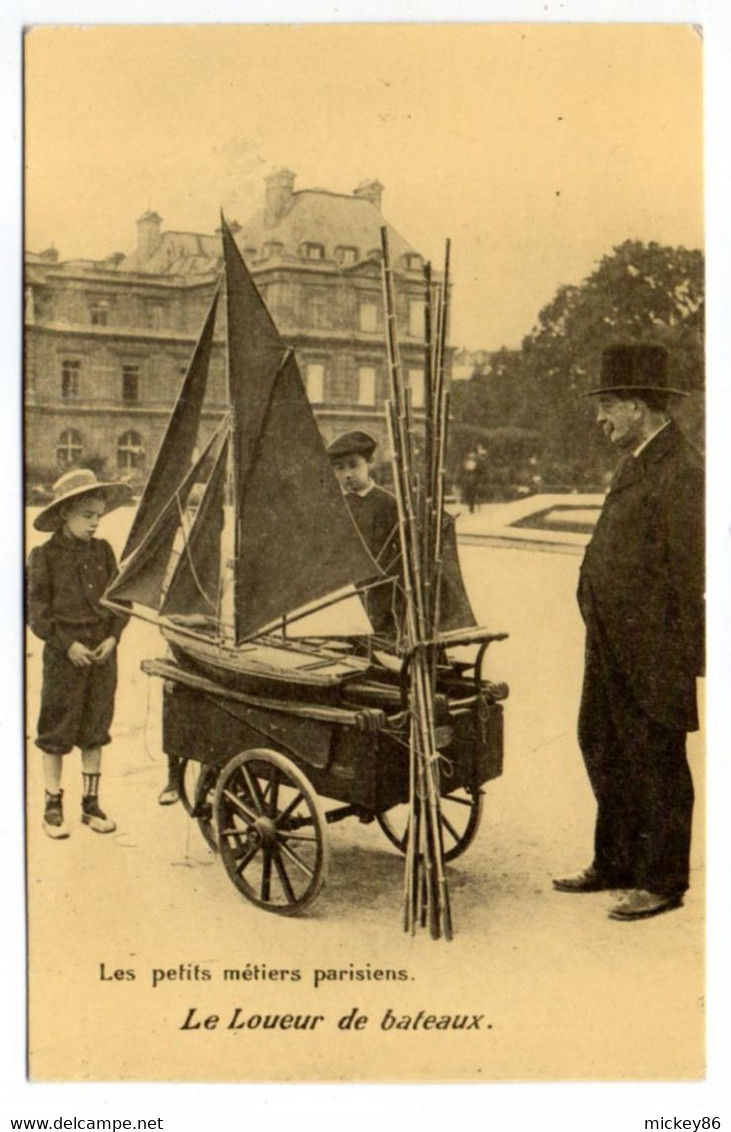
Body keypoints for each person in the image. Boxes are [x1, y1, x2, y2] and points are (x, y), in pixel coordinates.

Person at [553, 343, 704, 921]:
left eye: (609, 404)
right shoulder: (641, 459)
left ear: (641, 406)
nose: (600, 418)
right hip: (614, 639)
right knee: (601, 740)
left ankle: (663, 879)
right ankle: (616, 860)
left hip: (653, 647)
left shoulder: (685, 471)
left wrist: (686, 655)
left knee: (656, 756)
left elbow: (692, 573)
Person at [26, 468, 132, 838]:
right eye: (87, 515)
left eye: (98, 516)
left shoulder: (103, 551)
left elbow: (121, 600)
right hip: (64, 659)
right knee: (56, 729)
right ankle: (52, 805)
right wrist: (67, 645)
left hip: (102, 658)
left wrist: (113, 637)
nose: (94, 523)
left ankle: (91, 805)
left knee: (95, 729)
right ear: (65, 513)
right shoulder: (43, 556)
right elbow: (36, 616)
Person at [326, 430, 400, 638]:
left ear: (369, 463)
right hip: (344, 587)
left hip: (380, 588)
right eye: (339, 468)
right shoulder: (335, 504)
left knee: (377, 638)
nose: (347, 474)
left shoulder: (388, 503)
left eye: (353, 465)